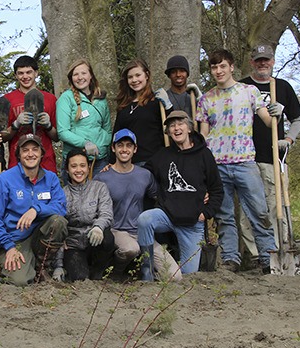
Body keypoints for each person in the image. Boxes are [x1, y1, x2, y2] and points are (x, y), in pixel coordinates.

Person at [196, 49, 283, 273]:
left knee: (259, 212)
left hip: (245, 161)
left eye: (222, 66)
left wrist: (277, 113)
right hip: (217, 165)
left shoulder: (249, 92)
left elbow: (268, 121)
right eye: (214, 67)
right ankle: (230, 259)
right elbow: (204, 134)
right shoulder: (206, 99)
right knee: (224, 216)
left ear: (231, 67)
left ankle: (268, 259)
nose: (218, 71)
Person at [238, 44, 300, 262]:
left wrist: (289, 139)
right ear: (252, 62)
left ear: (273, 61)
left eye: (266, 60)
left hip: (273, 157)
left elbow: (298, 119)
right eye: (258, 60)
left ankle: (278, 252)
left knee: (276, 206)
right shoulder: (242, 87)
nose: (262, 63)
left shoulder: (282, 87)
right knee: (247, 211)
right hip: (245, 158)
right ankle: (256, 256)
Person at [137, 111, 223, 280]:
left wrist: (205, 213)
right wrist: (115, 168)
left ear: (189, 128)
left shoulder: (204, 155)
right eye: (172, 126)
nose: (176, 128)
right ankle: (147, 272)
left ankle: (170, 270)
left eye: (180, 124)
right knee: (144, 220)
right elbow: (142, 175)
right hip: (166, 216)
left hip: (192, 223)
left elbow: (217, 190)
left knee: (186, 276)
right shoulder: (163, 155)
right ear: (168, 132)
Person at [94, 129, 180, 281]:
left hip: (141, 232)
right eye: (120, 145)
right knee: (131, 249)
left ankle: (143, 273)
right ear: (113, 148)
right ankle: (115, 272)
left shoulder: (144, 175)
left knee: (175, 276)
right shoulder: (102, 177)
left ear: (135, 149)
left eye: (129, 145)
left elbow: (160, 196)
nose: (124, 149)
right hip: (116, 230)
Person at [0, 134, 67, 286]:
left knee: (58, 222)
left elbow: (61, 207)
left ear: (42, 153)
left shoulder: (51, 178)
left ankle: (42, 266)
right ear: (18, 155)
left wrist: (36, 209)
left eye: (35, 149)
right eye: (25, 150)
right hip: (15, 239)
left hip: (40, 236)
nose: (30, 154)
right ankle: (23, 265)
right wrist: (9, 247)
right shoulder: (4, 180)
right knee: (20, 281)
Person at [54, 149, 115, 281]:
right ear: (67, 170)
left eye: (82, 165)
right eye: (73, 166)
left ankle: (98, 271)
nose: (78, 170)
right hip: (74, 245)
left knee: (108, 238)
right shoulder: (61, 194)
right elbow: (58, 228)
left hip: (96, 241)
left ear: (88, 167)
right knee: (80, 278)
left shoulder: (99, 188)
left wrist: (98, 227)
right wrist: (58, 265)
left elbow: (106, 213)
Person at [56, 59, 112, 182]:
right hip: (76, 160)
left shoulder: (100, 98)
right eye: (75, 74)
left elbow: (107, 129)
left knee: (100, 192)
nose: (80, 77)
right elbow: (62, 131)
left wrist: (102, 146)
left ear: (91, 75)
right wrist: (85, 143)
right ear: (71, 78)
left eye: (83, 73)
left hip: (100, 160)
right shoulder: (66, 98)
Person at [113, 59, 173, 166]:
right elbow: (116, 135)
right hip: (128, 163)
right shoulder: (123, 106)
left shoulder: (156, 102)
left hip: (154, 161)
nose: (134, 80)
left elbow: (173, 125)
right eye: (130, 77)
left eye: (138, 75)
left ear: (147, 75)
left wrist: (168, 107)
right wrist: (112, 162)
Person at [3, 55, 58, 173]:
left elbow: (57, 137)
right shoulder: (7, 100)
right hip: (17, 163)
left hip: (46, 162)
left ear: (36, 73)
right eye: (20, 73)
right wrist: (16, 124)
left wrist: (48, 126)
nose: (25, 77)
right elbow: (2, 137)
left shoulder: (50, 99)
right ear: (16, 75)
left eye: (29, 72)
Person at [163, 55, 202, 119]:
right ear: (169, 75)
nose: (178, 74)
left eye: (182, 71)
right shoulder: (164, 98)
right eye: (173, 72)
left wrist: (201, 100)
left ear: (187, 74)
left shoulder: (194, 96)